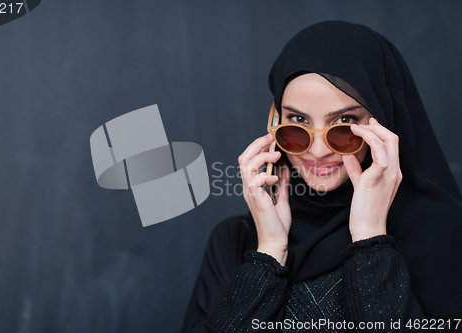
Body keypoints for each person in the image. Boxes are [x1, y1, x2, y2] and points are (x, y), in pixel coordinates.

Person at [181, 21, 462, 333]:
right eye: (297, 120)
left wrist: (370, 240)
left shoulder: (445, 238)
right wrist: (269, 254)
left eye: (344, 122)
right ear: (274, 121)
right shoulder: (236, 240)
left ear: (385, 122)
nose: (316, 151)